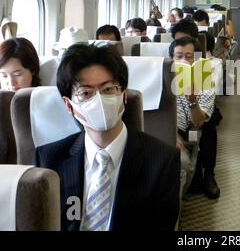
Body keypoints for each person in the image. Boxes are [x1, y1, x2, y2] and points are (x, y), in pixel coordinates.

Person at [35, 44, 180, 231]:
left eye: (108, 89)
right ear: (68, 105)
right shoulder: (48, 159)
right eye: (85, 93)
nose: (99, 101)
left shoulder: (162, 160)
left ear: (124, 95)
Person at [169, 36, 220, 199]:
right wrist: (167, 135)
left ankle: (208, 174)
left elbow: (198, 122)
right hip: (163, 132)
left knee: (209, 126)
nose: (183, 61)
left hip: (187, 131)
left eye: (189, 57)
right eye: (179, 56)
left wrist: (192, 101)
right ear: (171, 59)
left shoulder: (205, 80)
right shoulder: (159, 75)